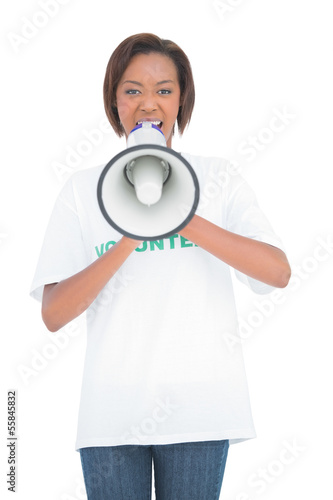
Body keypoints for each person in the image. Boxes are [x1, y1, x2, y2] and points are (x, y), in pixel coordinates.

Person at [30, 33, 291, 500]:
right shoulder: (83, 190)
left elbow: (276, 272)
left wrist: (180, 216)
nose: (148, 104)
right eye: (132, 90)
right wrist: (131, 230)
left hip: (202, 408)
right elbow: (53, 313)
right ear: (114, 101)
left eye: (164, 90)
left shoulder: (217, 177)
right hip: (111, 414)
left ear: (181, 101)